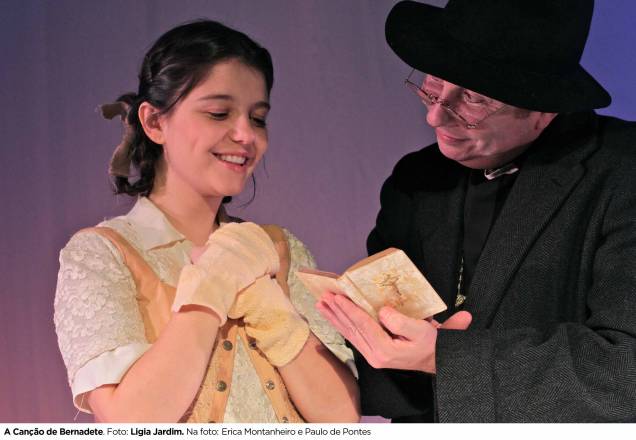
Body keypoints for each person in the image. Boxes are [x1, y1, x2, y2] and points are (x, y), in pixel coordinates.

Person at [317, 0, 636, 422]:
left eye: (471, 98)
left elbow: (625, 370)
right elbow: (386, 381)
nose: (435, 115)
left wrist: (442, 357)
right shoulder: (415, 179)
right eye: (434, 82)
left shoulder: (623, 171)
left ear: (543, 109)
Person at [54, 20, 359, 423]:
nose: (246, 135)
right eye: (218, 113)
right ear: (154, 122)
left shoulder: (280, 249)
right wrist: (211, 286)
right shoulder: (102, 254)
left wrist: (273, 313)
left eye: (258, 118)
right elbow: (131, 420)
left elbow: (340, 418)